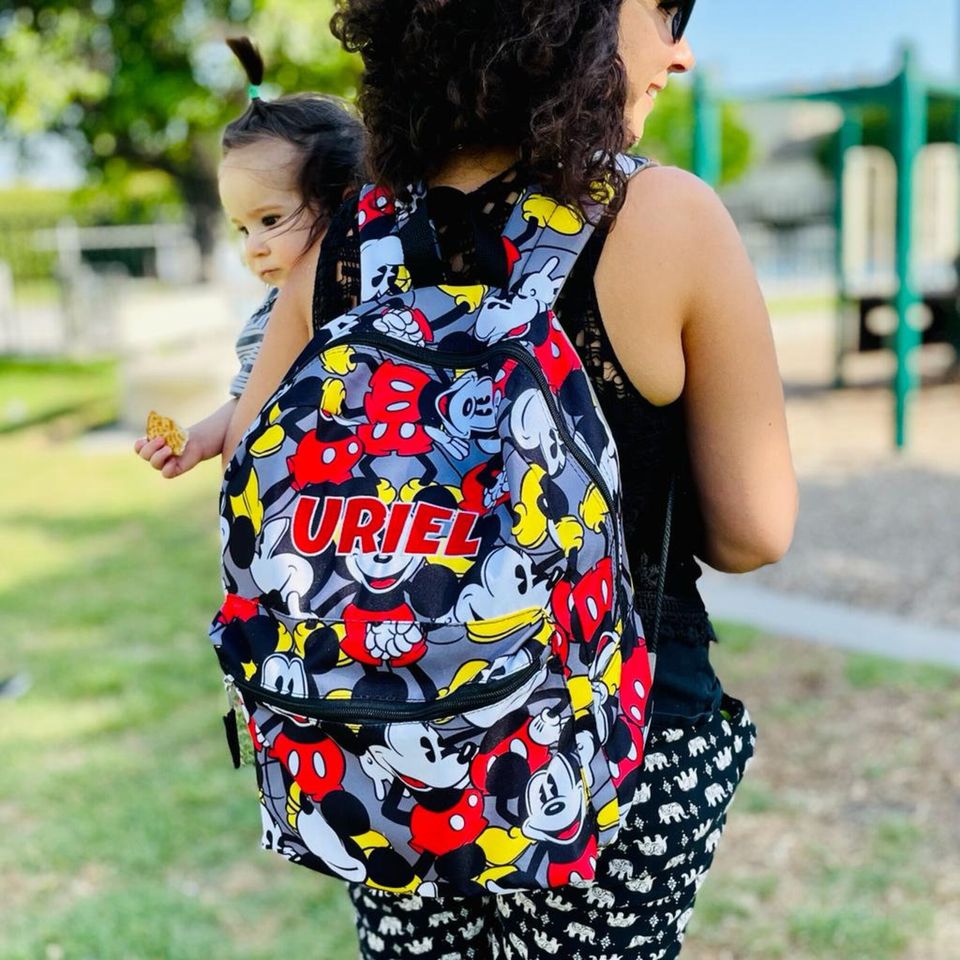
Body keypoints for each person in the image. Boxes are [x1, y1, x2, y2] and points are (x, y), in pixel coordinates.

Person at [222, 1, 797, 957]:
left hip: (373, 746)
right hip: (613, 758)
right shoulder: (661, 213)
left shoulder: (344, 233)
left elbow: (255, 473)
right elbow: (754, 532)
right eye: (666, 10)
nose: (681, 52)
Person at [134, 37, 364, 477]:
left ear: (342, 201)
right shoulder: (267, 318)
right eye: (243, 228)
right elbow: (246, 404)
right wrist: (198, 440)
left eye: (271, 219)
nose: (253, 246)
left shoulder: (376, 291)